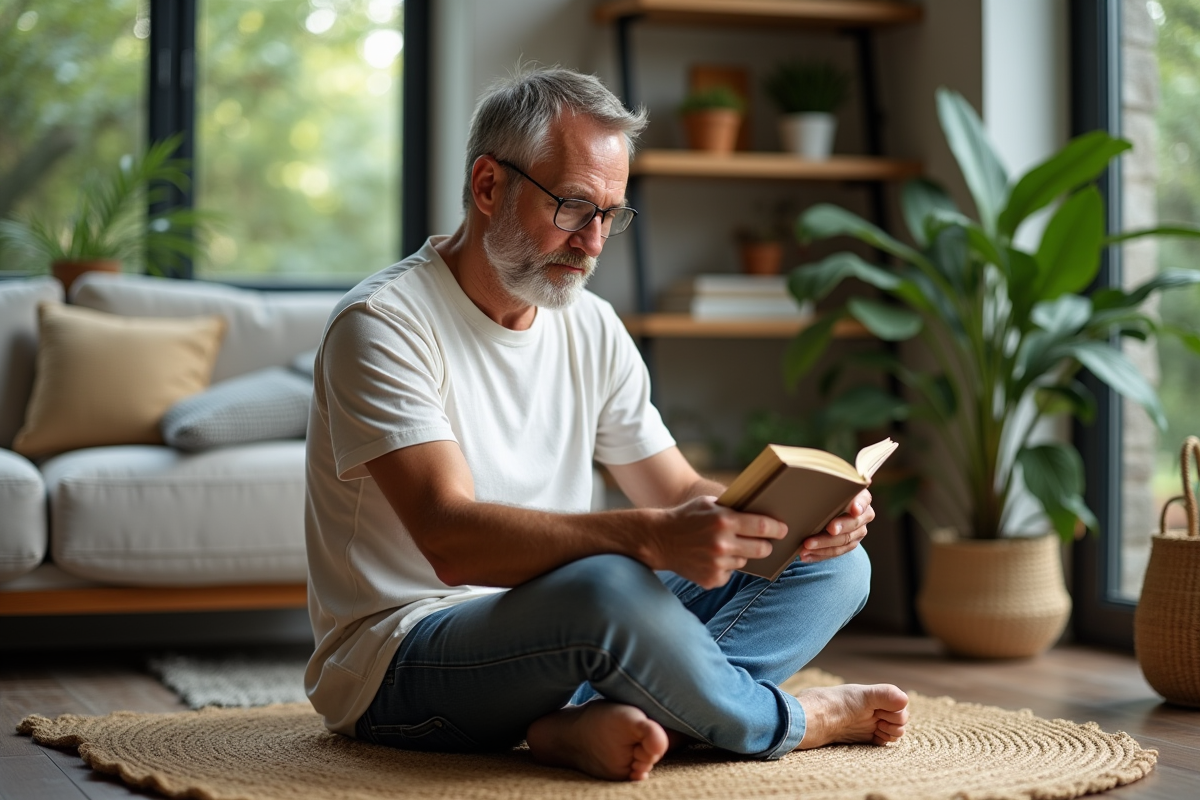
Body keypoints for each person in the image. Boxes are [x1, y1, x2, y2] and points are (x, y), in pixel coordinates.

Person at [303, 65, 909, 782]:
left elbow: (676, 486)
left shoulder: (590, 326)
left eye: (610, 215)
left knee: (834, 568)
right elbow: (450, 540)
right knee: (608, 586)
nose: (592, 243)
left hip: (568, 625)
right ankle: (787, 720)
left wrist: (791, 518)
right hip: (400, 657)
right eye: (572, 207)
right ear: (488, 185)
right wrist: (650, 538)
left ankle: (594, 721)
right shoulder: (383, 326)